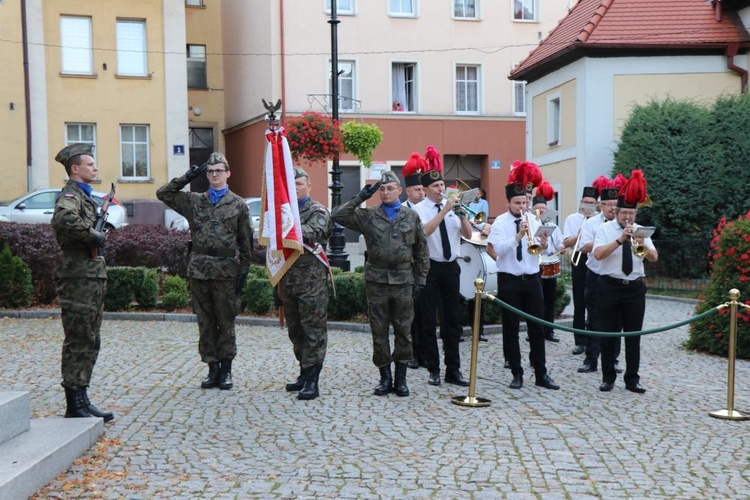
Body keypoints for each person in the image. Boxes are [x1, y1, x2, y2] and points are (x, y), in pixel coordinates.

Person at [157, 153, 252, 390]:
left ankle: (227, 370)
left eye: (219, 170)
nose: (215, 175)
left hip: (225, 271)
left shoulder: (238, 204)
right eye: (210, 171)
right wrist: (188, 176)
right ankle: (212, 369)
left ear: (228, 173)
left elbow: (246, 241)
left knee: (225, 321)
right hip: (199, 270)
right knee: (206, 322)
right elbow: (164, 193)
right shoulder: (195, 201)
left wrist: (244, 272)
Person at [332, 171, 429, 397]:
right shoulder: (369, 215)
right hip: (377, 280)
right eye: (382, 189)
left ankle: (401, 378)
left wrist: (421, 281)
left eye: (390, 188)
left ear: (399, 190)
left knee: (404, 331)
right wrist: (358, 197)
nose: (385, 192)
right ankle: (385, 378)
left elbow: (422, 250)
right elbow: (338, 215)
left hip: (404, 280)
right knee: (379, 331)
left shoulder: (411, 216)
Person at [51, 143, 114, 421]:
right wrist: (92, 236)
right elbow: (63, 219)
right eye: (90, 164)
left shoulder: (86, 197)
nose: (95, 167)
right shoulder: (70, 195)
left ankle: (82, 397)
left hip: (90, 275)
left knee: (90, 337)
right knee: (78, 338)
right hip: (78, 275)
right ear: (75, 168)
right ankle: (73, 402)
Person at [487, 162, 559, 390]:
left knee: (536, 328)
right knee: (511, 329)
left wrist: (545, 244)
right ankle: (516, 372)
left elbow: (546, 251)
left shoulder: (535, 219)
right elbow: (498, 250)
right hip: (509, 280)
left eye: (525, 202)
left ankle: (541, 373)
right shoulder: (499, 222)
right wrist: (519, 236)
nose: (522, 207)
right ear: (508, 202)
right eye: (517, 203)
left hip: (532, 279)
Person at [413, 146, 473, 387]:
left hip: (451, 267)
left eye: (442, 186)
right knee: (428, 321)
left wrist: (461, 216)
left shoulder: (453, 209)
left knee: (453, 321)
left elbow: (467, 235)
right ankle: (433, 369)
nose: (441, 189)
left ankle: (453, 370)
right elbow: (424, 232)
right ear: (426, 189)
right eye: (436, 187)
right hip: (429, 267)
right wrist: (444, 211)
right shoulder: (418, 210)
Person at [594, 170, 657, 393]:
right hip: (610, 285)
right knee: (608, 334)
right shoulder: (604, 229)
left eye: (631, 213)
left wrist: (641, 242)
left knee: (633, 335)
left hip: (635, 287)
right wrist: (620, 240)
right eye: (624, 213)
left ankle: (632, 379)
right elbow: (598, 254)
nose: (627, 217)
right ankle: (608, 377)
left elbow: (654, 257)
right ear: (616, 212)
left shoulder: (641, 231)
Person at [281, 167, 332, 400]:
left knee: (314, 331)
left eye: (299, 184)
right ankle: (303, 371)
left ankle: (313, 379)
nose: (296, 188)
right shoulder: (284, 212)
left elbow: (317, 231)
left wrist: (289, 229)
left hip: (311, 282)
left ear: (309, 187)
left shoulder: (317, 209)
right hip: (289, 279)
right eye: (292, 185)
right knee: (296, 330)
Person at [576, 176, 623, 374]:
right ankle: (591, 359)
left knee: (616, 321)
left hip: (616, 276)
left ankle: (613, 360)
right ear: (600, 205)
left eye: (616, 204)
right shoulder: (591, 223)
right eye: (609, 204)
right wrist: (602, 241)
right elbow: (583, 246)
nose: (613, 208)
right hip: (596, 276)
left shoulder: (623, 223)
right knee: (594, 319)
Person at [562, 186, 598, 355]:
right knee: (579, 301)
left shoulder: (599, 219)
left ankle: (593, 340)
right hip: (578, 258)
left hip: (595, 259)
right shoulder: (572, 218)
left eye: (592, 203)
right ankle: (579, 342)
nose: (588, 206)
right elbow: (567, 242)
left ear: (597, 204)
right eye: (586, 202)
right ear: (580, 202)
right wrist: (580, 233)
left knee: (594, 303)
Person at [401, 153, 428, 370]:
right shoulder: (403, 210)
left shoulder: (428, 209)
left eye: (423, 190)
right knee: (410, 316)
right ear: (408, 191)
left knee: (425, 314)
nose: (422, 193)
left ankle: (425, 352)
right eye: (418, 190)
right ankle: (412, 353)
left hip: (425, 267)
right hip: (407, 269)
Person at [531, 182, 565, 343]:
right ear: (533, 211)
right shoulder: (531, 225)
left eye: (543, 209)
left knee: (550, 299)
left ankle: (549, 331)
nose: (541, 211)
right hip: (535, 264)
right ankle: (535, 331)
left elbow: (560, 242)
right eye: (538, 209)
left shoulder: (553, 225)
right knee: (536, 301)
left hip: (550, 262)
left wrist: (562, 247)